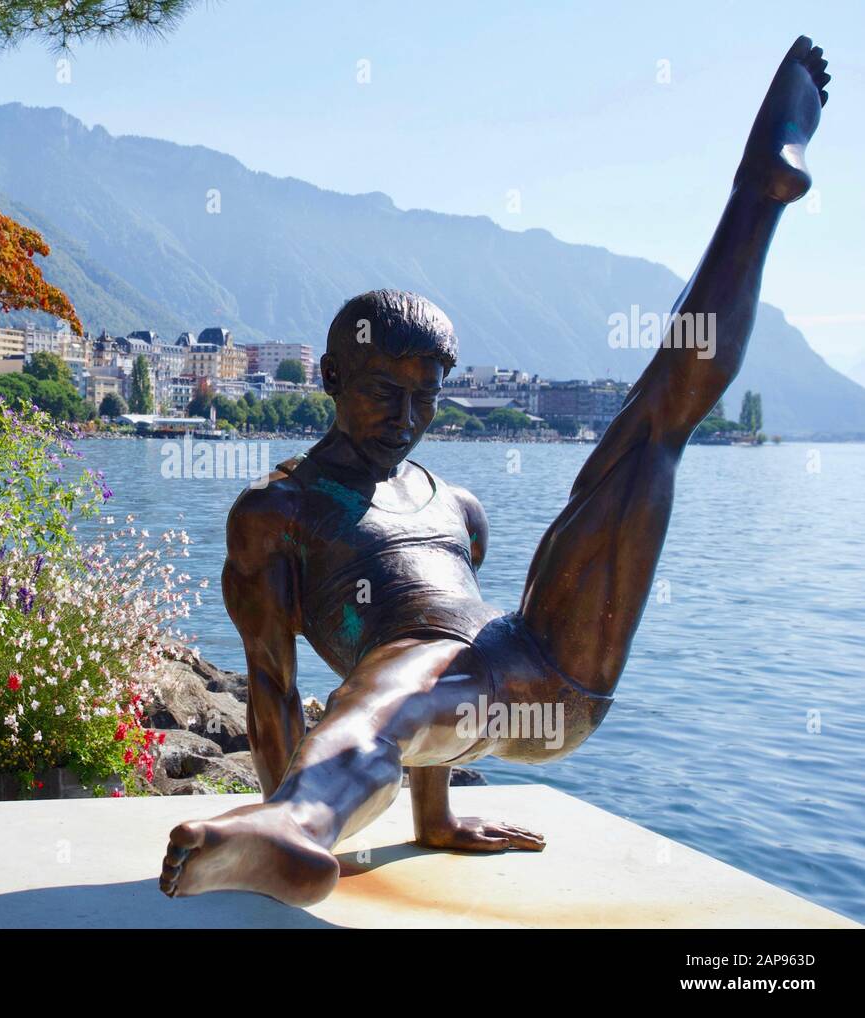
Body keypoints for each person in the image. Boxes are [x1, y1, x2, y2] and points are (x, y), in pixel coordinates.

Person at [159, 38, 831, 907]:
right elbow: (272, 684)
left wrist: (435, 821)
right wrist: (276, 799)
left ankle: (758, 199)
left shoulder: (458, 506)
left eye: (423, 396)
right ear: (328, 379)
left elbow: (459, 658)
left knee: (654, 425)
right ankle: (294, 824)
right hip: (433, 696)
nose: (404, 417)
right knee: (399, 683)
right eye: (379, 392)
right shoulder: (276, 510)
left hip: (546, 669)